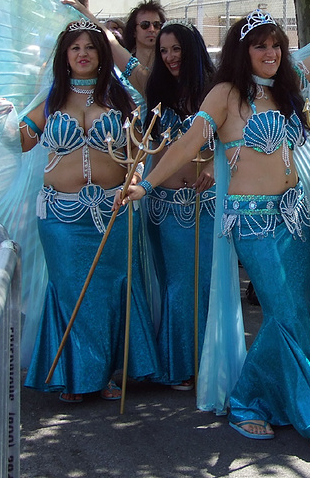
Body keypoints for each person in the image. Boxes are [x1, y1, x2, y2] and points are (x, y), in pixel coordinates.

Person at [118, 0, 310, 444]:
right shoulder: (224, 96)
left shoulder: (290, 83)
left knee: (294, 309)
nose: (271, 52)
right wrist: (146, 183)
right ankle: (248, 400)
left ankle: (280, 399)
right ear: (244, 50)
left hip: (294, 217)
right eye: (261, 45)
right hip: (250, 221)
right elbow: (187, 143)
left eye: (276, 44)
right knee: (284, 311)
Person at [22, 19, 160, 402]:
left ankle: (102, 373)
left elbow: (142, 150)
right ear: (65, 56)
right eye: (75, 48)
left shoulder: (121, 98)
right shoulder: (50, 99)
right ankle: (75, 374)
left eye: (91, 47)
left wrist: (138, 180)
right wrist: (1, 119)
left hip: (112, 211)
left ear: (102, 55)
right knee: (70, 291)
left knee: (108, 290)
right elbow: (20, 142)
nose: (83, 54)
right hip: (60, 218)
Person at [141, 20, 216, 391]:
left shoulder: (218, 93)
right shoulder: (155, 91)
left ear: (192, 51)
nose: (169, 57)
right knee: (179, 283)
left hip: (205, 206)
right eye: (163, 50)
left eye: (176, 49)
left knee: (200, 284)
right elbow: (122, 59)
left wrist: (217, 165)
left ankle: (201, 360)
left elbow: (241, 138)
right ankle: (181, 363)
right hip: (162, 206)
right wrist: (88, 20)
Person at [121, 0, 166, 93]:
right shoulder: (122, 65)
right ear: (134, 31)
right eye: (145, 25)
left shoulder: (168, 64)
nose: (152, 29)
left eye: (156, 25)